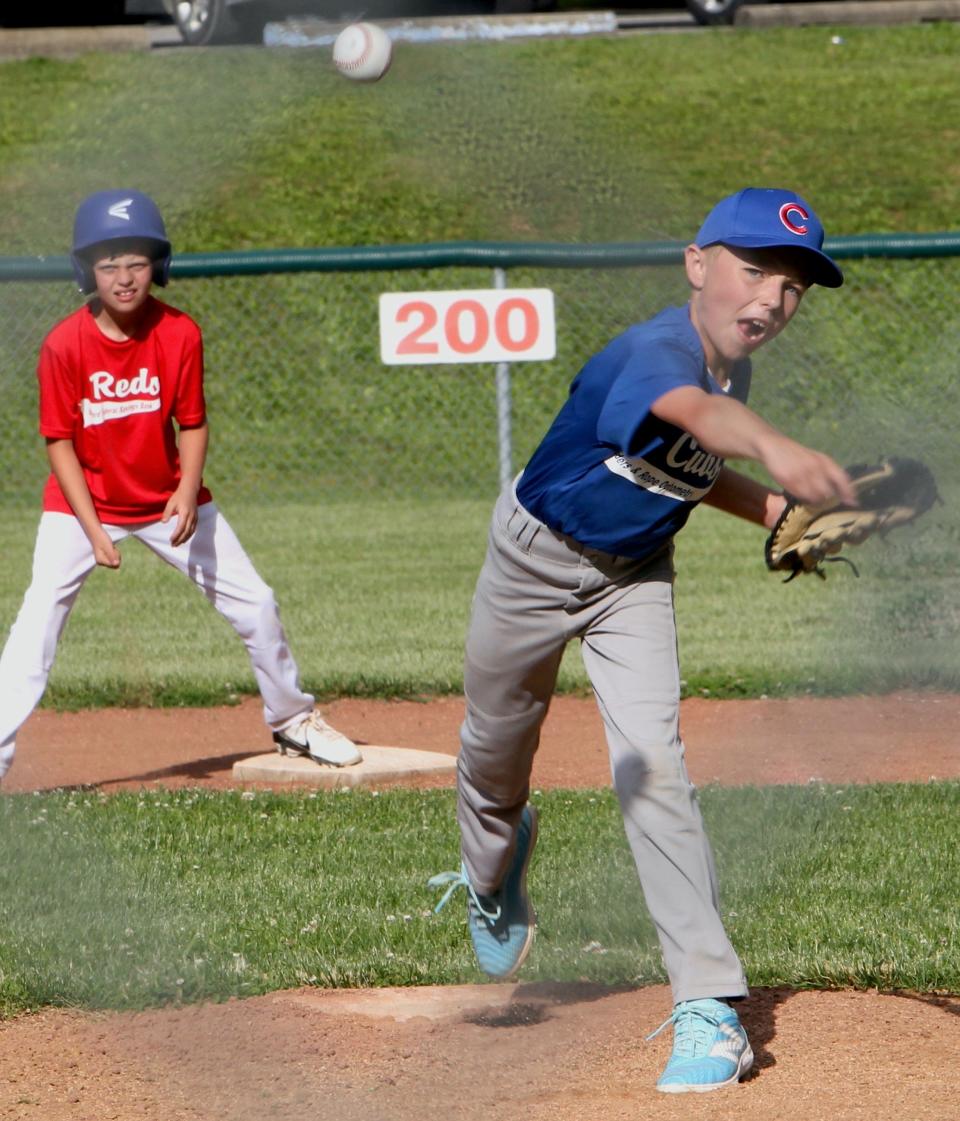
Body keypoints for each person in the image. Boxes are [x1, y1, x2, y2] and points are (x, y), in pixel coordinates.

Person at [429, 187, 857, 1093]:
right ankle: (492, 864)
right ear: (697, 264)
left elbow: (684, 467)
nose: (772, 301)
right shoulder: (657, 349)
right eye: (755, 272)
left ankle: (708, 1004)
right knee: (495, 747)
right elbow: (687, 416)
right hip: (532, 561)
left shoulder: (734, 367)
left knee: (652, 764)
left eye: (793, 288)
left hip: (633, 576)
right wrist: (776, 453)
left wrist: (771, 511)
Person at [0, 188, 360, 786]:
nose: (123, 277)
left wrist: (187, 490)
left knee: (257, 604)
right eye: (108, 263)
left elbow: (191, 421)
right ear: (87, 270)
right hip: (80, 505)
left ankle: (292, 719)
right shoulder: (64, 344)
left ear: (157, 266)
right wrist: (92, 530)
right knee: (36, 625)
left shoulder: (179, 334)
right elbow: (58, 441)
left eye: (136, 261)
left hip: (168, 497)